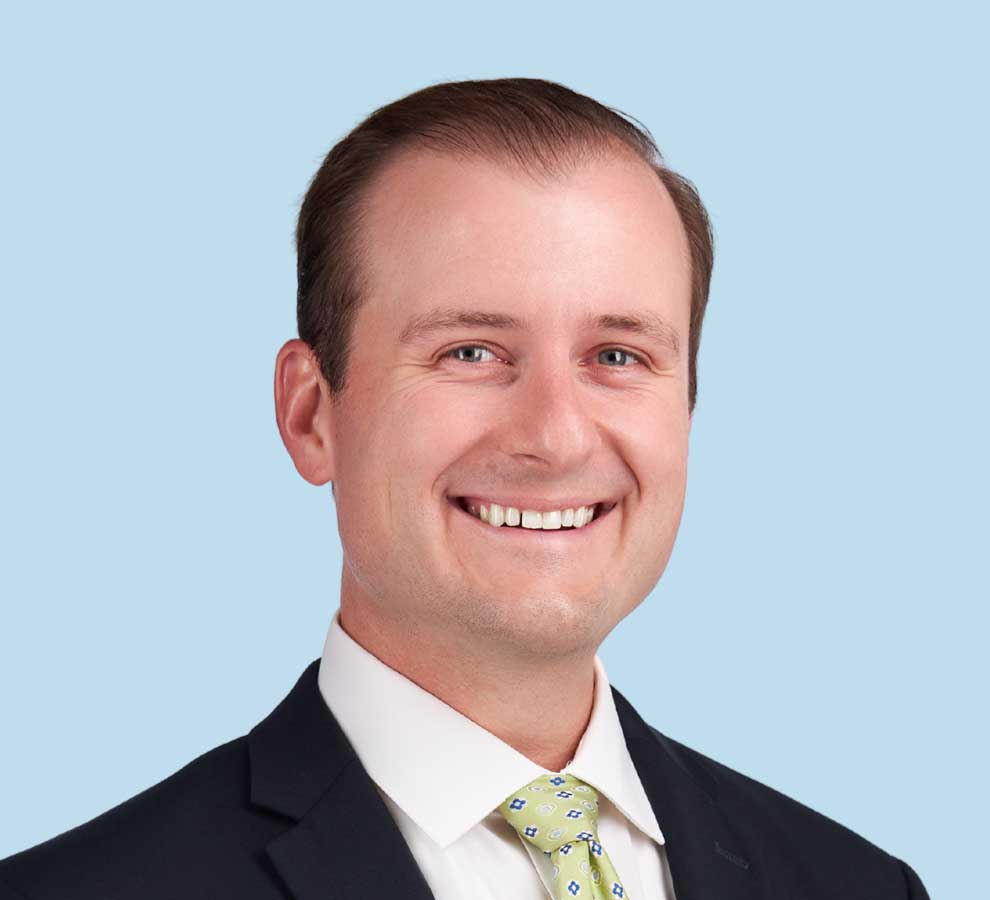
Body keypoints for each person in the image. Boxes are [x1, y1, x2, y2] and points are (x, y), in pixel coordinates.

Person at [0, 77, 930, 900]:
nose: (556, 434)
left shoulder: (856, 884)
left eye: (618, 355)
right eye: (471, 352)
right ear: (310, 414)